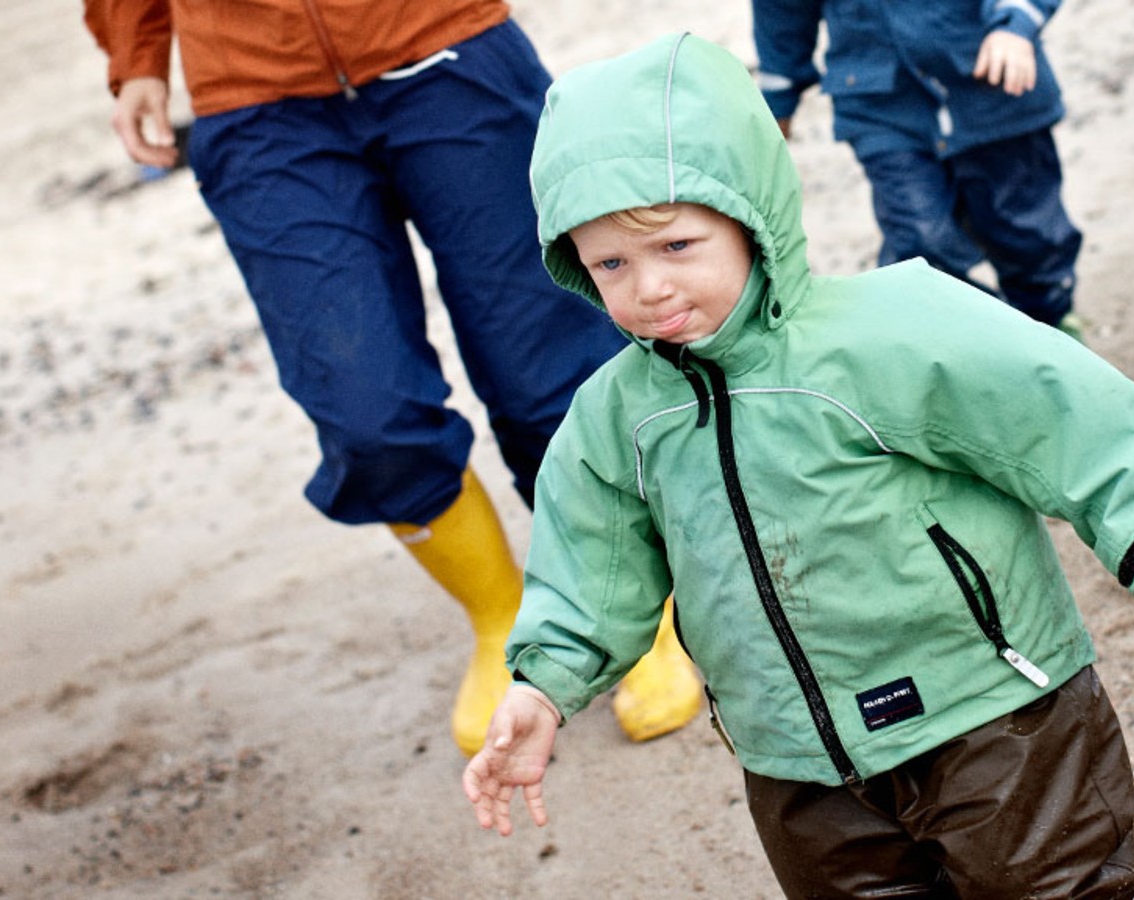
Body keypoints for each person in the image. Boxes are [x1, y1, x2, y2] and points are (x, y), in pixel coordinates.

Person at [462, 33, 1134, 897]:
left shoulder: (886, 328)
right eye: (611, 264)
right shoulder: (614, 419)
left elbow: (1054, 405)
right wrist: (544, 688)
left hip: (989, 711)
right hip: (796, 763)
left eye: (677, 246)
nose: (649, 289)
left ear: (750, 216)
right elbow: (589, 567)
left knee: (1064, 886)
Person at [81, 0, 702, 754]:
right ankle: (501, 621)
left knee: (549, 375)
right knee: (367, 417)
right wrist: (136, 54)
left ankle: (628, 606)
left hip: (443, 47)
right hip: (253, 97)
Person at [752, 0, 1087, 338]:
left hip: (992, 86)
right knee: (918, 243)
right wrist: (777, 103)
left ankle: (1052, 325)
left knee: (1027, 236)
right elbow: (781, 14)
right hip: (882, 104)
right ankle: (990, 339)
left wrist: (1015, 25)